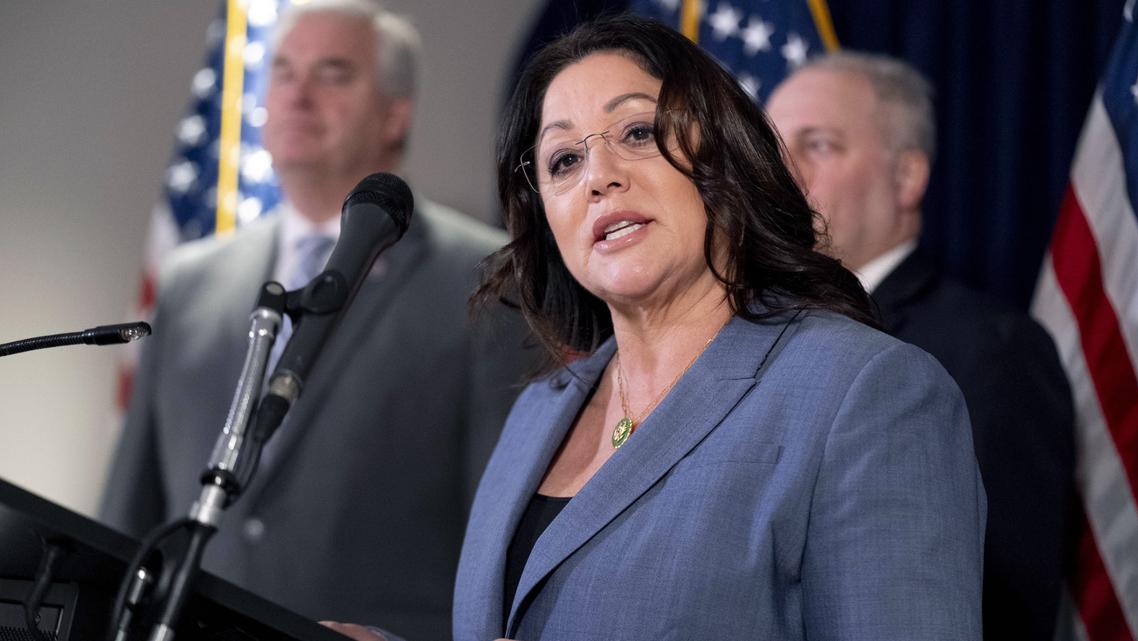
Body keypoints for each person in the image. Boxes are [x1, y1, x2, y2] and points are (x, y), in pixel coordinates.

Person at [326, 14, 986, 641]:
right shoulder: (538, 409)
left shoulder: (867, 393)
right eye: (562, 161)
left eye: (637, 133)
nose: (599, 177)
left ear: (724, 158)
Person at [99, 2, 532, 640]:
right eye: (283, 72)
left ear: (396, 111)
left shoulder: (488, 280)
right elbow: (127, 517)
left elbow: (502, 543)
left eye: (331, 74)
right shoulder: (191, 281)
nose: (297, 95)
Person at [766, 52, 1075, 641]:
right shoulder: (746, 340)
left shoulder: (992, 350)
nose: (783, 175)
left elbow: (1000, 606)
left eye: (819, 146)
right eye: (772, 150)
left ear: (907, 177)